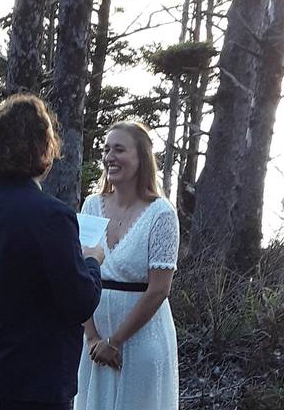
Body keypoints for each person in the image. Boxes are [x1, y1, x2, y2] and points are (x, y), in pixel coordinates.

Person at [0, 93, 106, 410]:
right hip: (36, 382)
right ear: (43, 148)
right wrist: (92, 261)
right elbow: (80, 302)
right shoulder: (52, 216)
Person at [75, 121, 180, 410]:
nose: (110, 157)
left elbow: (159, 289)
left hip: (141, 342)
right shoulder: (91, 206)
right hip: (94, 345)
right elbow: (81, 272)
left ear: (140, 157)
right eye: (107, 149)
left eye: (119, 149)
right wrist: (94, 338)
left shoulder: (161, 214)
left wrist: (115, 341)